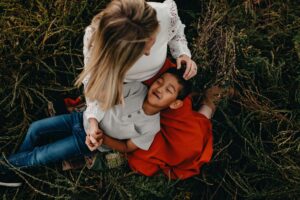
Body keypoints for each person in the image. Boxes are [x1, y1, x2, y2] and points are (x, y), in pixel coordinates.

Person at [0, 67, 192, 187]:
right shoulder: (137, 88)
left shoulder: (151, 127)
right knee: (35, 128)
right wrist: (92, 123)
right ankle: (16, 169)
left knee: (41, 154)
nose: (159, 88)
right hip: (79, 119)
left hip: (87, 142)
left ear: (174, 104)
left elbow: (127, 147)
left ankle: (8, 166)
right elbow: (104, 99)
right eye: (160, 81)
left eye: (169, 90)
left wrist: (103, 139)